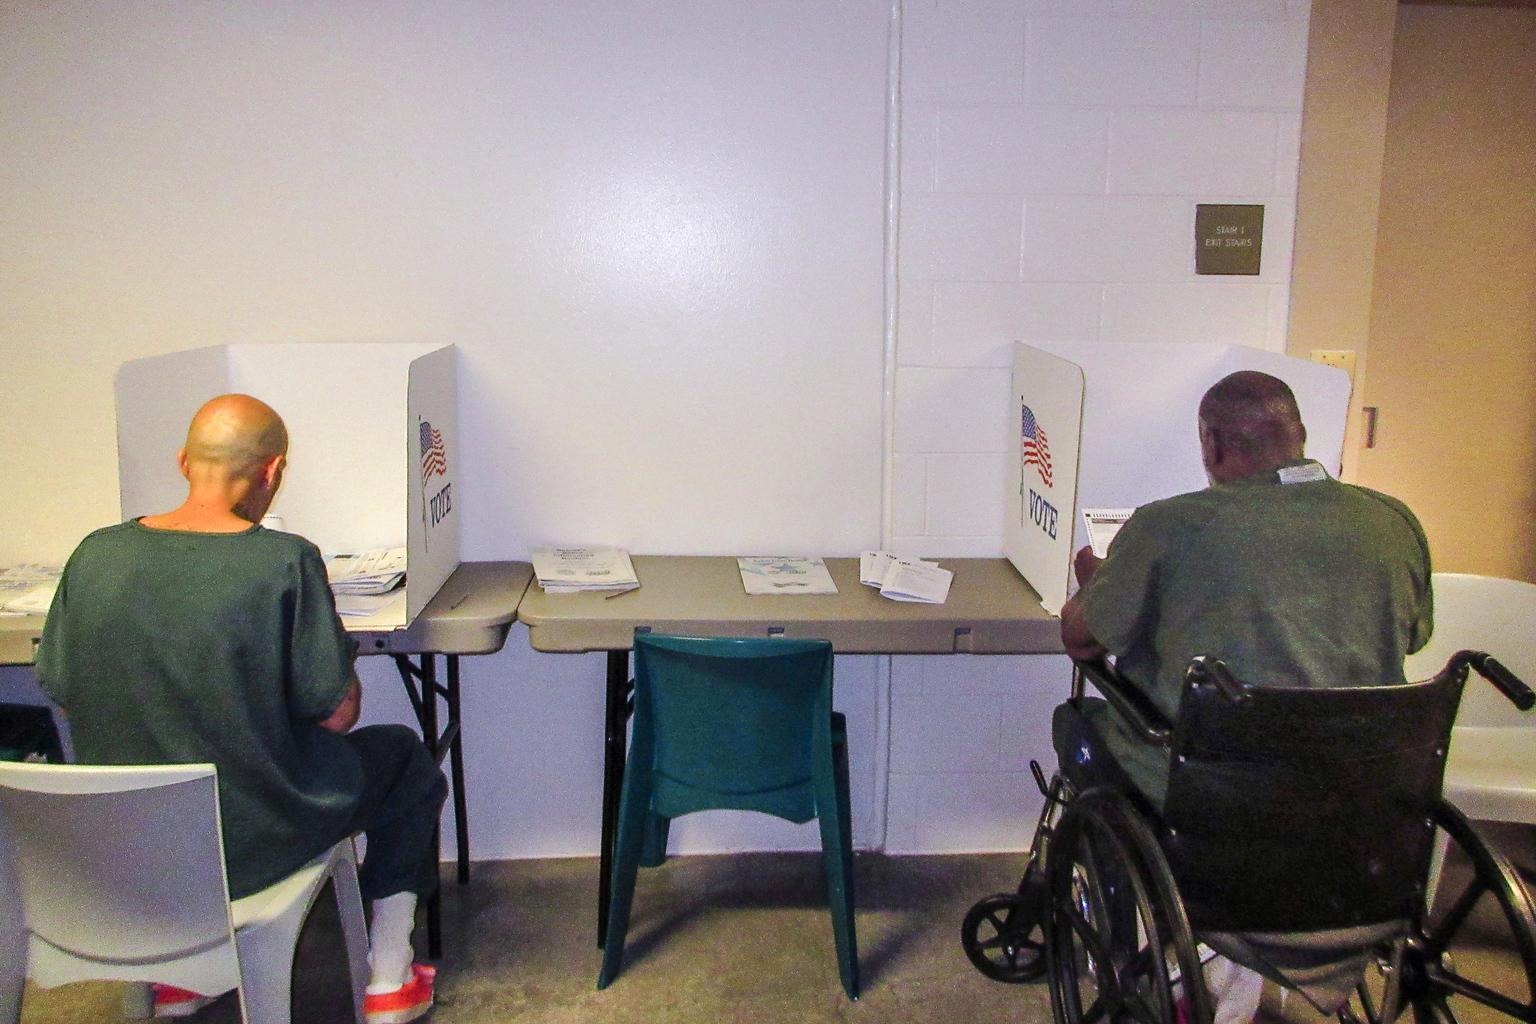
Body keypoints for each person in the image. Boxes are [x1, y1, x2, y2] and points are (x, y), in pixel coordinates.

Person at [37, 394, 446, 1023]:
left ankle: (183, 975)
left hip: (122, 855)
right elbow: (338, 715)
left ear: (183, 462)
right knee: (406, 759)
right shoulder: (282, 560)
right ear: (273, 471)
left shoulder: (94, 553)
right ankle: (390, 977)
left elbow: (62, 687)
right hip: (249, 846)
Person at [1055, 370, 1433, 1024]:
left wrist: (1098, 579)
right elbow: (1416, 634)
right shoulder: (1391, 521)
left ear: (1212, 443)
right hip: (1360, 800)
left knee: (1079, 725)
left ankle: (1159, 955)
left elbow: (1081, 638)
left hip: (1218, 805)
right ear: (1301, 437)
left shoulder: (1168, 526)